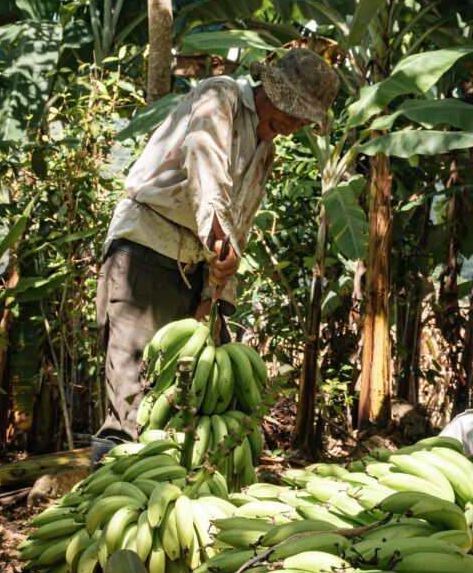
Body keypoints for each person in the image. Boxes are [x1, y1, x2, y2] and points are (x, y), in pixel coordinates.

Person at [91, 47, 340, 466]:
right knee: (131, 398)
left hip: (197, 267)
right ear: (272, 90)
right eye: (294, 112)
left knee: (181, 404)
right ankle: (107, 508)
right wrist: (222, 248)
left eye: (304, 120)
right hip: (146, 250)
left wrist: (215, 295)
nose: (295, 126)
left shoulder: (265, 150)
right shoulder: (220, 96)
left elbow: (239, 223)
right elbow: (205, 174)